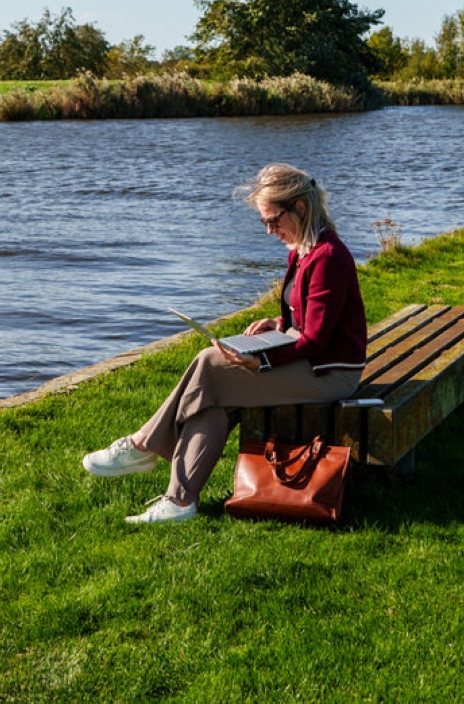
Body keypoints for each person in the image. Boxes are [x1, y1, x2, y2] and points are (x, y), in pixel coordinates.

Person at [82, 163, 368, 523]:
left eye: (273, 220)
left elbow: (317, 338)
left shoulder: (328, 256)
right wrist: (279, 323)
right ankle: (179, 502)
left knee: (208, 364)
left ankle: (142, 445)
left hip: (331, 374)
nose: (270, 230)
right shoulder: (302, 249)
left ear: (299, 207)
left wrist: (263, 362)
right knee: (213, 400)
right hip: (310, 361)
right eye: (264, 222)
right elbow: (308, 318)